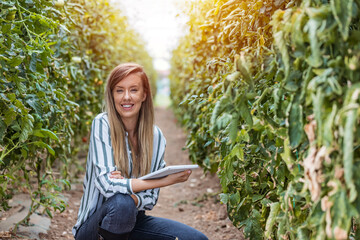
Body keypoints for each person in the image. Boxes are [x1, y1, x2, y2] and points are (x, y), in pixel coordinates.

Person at [73, 63, 208, 240]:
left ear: (144, 95)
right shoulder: (102, 124)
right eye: (119, 90)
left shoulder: (155, 135)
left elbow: (150, 198)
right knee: (122, 204)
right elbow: (107, 186)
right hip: (92, 229)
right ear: (112, 95)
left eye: (134, 90)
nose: (126, 97)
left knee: (197, 239)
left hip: (134, 222)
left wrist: (127, 189)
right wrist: (164, 181)